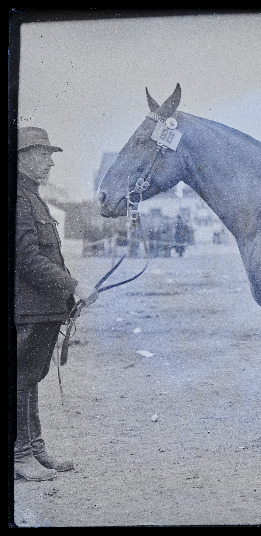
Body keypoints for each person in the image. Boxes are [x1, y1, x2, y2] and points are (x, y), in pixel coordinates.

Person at [15, 127, 99, 481]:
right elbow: (27, 257)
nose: (50, 162)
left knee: (30, 377)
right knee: (20, 379)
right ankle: (20, 456)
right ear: (21, 157)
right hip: (28, 309)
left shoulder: (32, 196)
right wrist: (74, 285)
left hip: (41, 308)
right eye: (42, 154)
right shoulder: (19, 199)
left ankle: (35, 449)